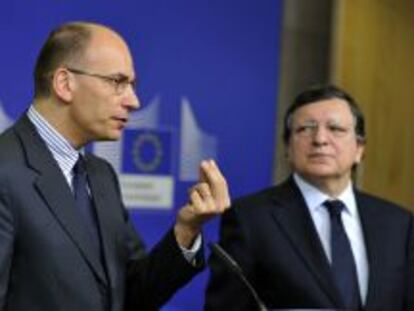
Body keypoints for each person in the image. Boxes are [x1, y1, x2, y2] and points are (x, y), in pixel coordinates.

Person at [0, 21, 230, 311]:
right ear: (64, 83)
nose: (133, 101)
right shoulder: (5, 170)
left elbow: (131, 295)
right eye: (117, 82)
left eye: (131, 85)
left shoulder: (100, 175)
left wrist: (186, 229)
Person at [205, 85, 414, 310]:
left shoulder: (398, 224)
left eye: (335, 128)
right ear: (287, 147)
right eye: (305, 129)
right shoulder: (251, 218)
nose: (320, 139)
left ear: (359, 149)